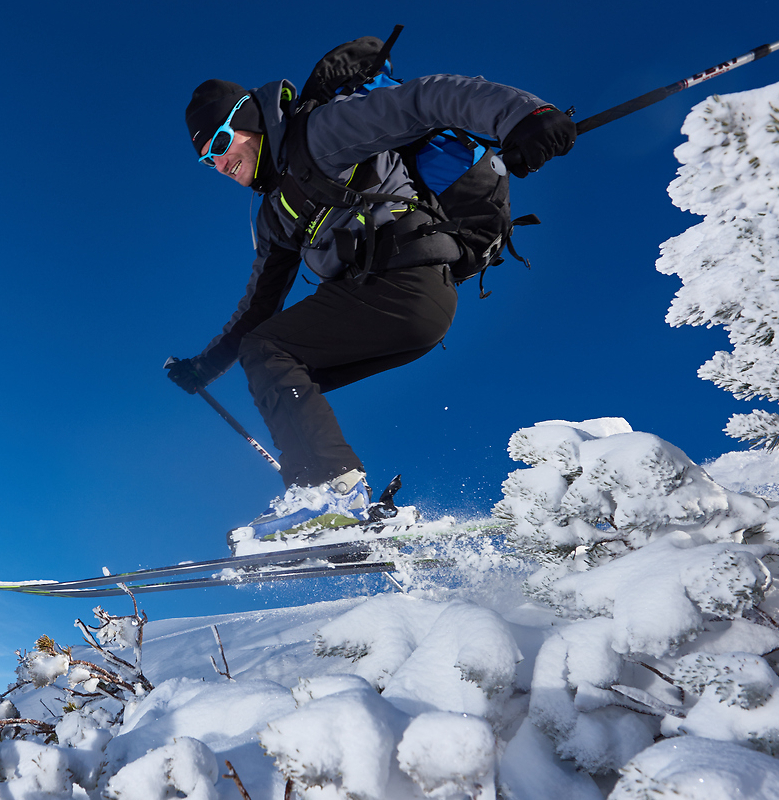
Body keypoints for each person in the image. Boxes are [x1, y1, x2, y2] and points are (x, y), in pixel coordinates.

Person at [165, 66, 575, 540]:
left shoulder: (320, 134)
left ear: (249, 119)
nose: (218, 165)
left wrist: (525, 114)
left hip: (408, 283)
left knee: (269, 353)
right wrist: (205, 367)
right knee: (276, 368)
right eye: (206, 161)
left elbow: (424, 99)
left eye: (219, 145)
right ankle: (336, 510)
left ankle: (330, 493)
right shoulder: (274, 216)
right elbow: (258, 307)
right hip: (390, 304)